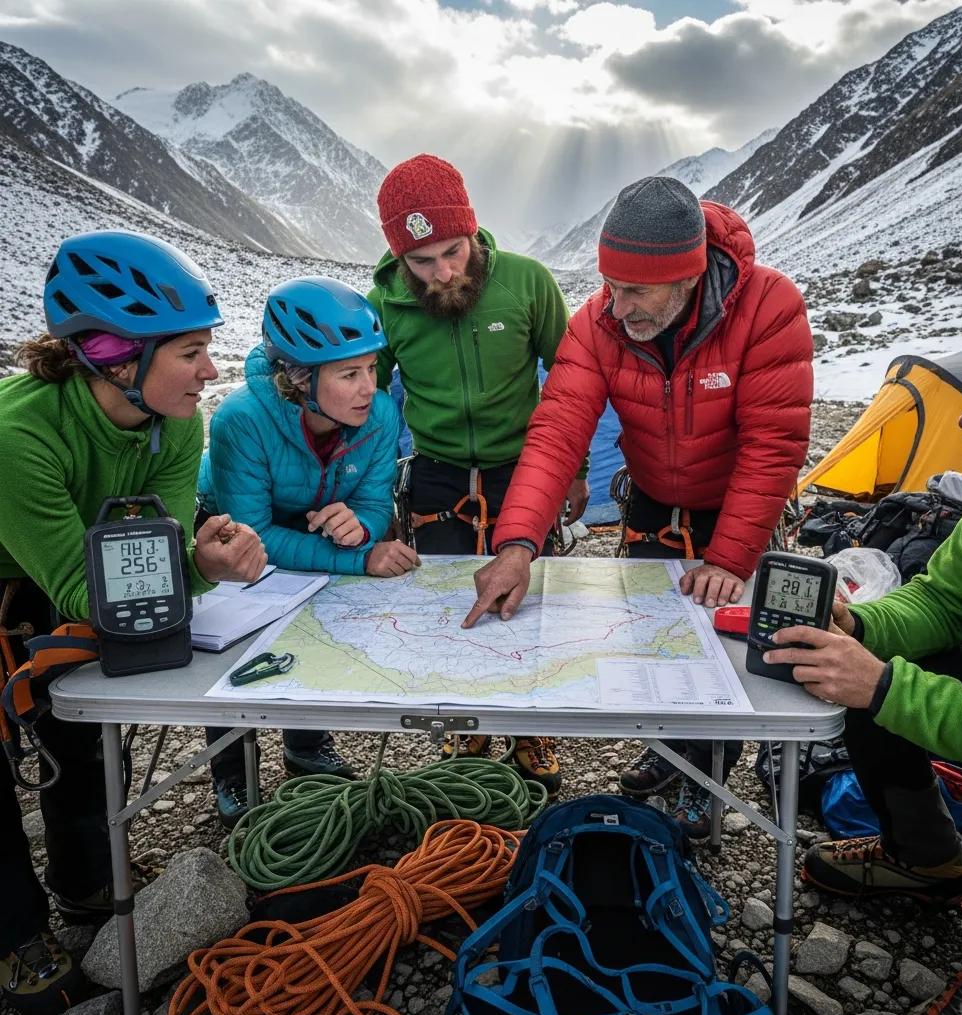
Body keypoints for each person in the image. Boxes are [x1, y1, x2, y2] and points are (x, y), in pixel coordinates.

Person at [465, 176, 813, 838]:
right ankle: (670, 751)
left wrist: (732, 555)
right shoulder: (599, 322)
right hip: (654, 499)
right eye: (611, 286)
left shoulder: (769, 307)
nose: (617, 308)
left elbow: (773, 446)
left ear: (686, 277)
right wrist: (517, 545)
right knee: (654, 642)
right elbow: (557, 431)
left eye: (636, 291)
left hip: (737, 507)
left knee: (720, 651)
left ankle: (703, 779)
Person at [0, 230, 266, 1015]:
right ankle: (16, 932)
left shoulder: (176, 422)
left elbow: (158, 554)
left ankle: (84, 888)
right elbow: (92, 588)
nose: (211, 372)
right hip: (26, 581)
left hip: (60, 583)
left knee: (79, 737)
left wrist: (200, 566)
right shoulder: (20, 436)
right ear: (115, 355)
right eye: (190, 353)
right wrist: (194, 571)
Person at [761, 302, 962, 1015]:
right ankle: (926, 858)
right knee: (884, 658)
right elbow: (941, 603)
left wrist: (883, 684)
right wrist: (863, 626)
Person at [366, 153, 588, 793]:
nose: (441, 274)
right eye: (422, 262)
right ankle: (468, 720)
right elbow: (372, 404)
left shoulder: (527, 282)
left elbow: (571, 382)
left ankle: (529, 725)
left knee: (528, 596)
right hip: (436, 474)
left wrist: (570, 471)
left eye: (453, 252)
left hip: (525, 467)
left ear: (473, 231)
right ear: (398, 260)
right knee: (448, 600)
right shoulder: (383, 305)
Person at [200, 276, 420, 825]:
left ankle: (304, 744)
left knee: (316, 623)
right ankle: (231, 768)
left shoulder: (380, 418)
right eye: (349, 374)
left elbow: (373, 501)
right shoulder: (240, 420)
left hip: (310, 518)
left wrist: (360, 526)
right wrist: (358, 557)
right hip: (233, 531)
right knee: (240, 642)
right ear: (299, 380)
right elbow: (253, 540)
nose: (369, 386)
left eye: (371, 368)